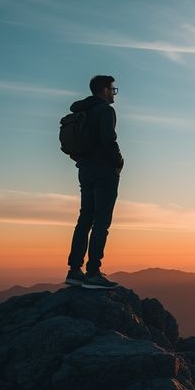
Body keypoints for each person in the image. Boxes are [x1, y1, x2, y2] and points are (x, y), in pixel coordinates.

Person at [65, 75, 124, 289]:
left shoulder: (83, 110)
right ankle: (93, 273)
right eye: (112, 89)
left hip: (85, 169)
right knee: (101, 222)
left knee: (85, 219)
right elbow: (109, 139)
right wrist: (118, 161)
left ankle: (74, 270)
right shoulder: (105, 111)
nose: (114, 93)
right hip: (104, 171)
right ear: (104, 90)